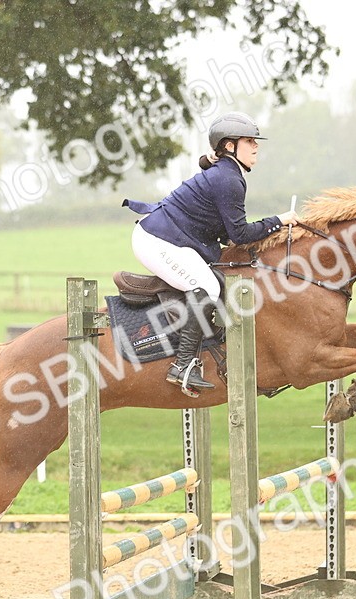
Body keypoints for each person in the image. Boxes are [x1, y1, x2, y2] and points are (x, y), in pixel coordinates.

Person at [123, 112, 297, 395]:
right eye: (249, 141)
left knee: (215, 280)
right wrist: (279, 221)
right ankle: (183, 366)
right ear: (229, 146)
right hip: (156, 240)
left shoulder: (226, 173)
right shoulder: (228, 179)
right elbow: (239, 234)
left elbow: (230, 233)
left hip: (170, 237)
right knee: (206, 285)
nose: (256, 147)